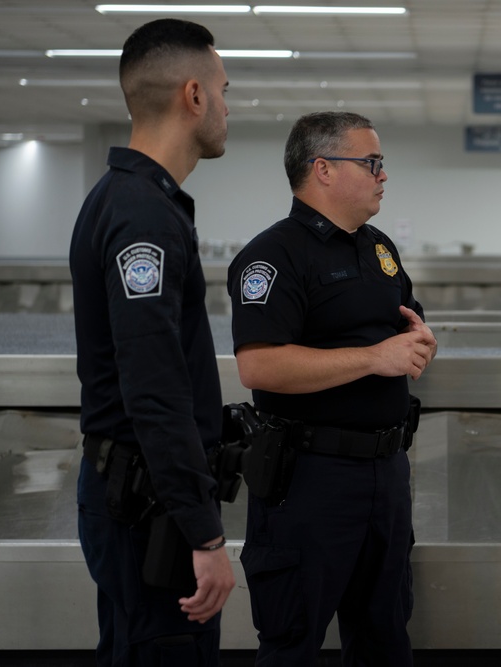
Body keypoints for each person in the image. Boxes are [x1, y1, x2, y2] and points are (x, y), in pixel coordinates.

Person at [226, 110, 435, 666]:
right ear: (322, 169)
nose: (382, 175)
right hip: (309, 481)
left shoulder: (378, 247)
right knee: (293, 641)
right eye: (371, 163)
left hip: (385, 475)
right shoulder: (273, 256)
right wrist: (375, 358)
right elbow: (260, 367)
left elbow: (403, 322)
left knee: (385, 637)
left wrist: (418, 339)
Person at [69, 18, 235, 666]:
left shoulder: (123, 199)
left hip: (133, 497)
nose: (228, 105)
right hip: (148, 512)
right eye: (224, 89)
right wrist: (204, 532)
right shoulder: (143, 214)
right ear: (192, 95)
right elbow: (154, 383)